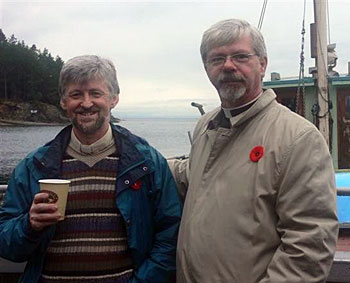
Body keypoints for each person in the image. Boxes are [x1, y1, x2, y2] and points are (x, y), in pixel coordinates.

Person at [169, 19, 338, 283]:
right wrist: (134, 155)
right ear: (206, 68)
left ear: (262, 63)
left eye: (240, 56)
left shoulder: (298, 138)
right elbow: (193, 174)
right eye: (217, 59)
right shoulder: (207, 125)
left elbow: (309, 247)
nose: (228, 65)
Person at [0, 55, 182, 283]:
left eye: (96, 93)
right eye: (76, 94)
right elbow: (6, 243)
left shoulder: (147, 163)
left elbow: (169, 234)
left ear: (114, 98)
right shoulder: (34, 166)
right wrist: (29, 225)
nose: (86, 103)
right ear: (63, 102)